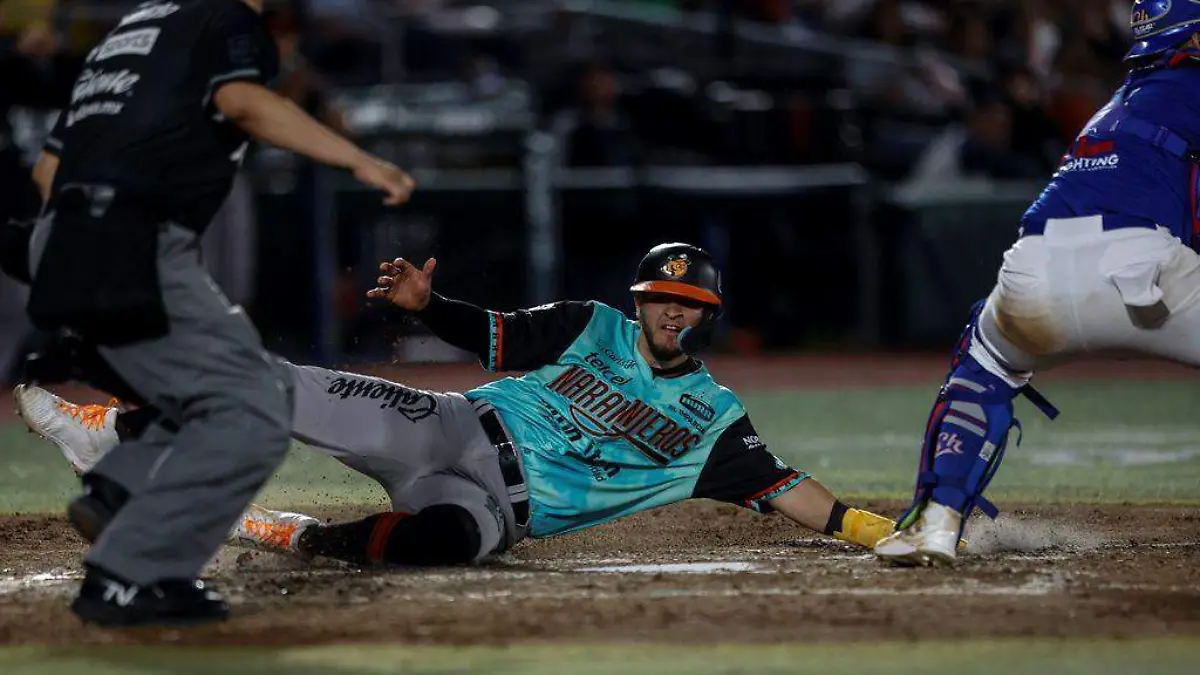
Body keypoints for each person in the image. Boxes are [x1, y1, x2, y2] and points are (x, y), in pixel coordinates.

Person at [17, 243, 912, 573]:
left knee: (441, 542)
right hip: (440, 425)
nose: (673, 312)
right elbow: (496, 336)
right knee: (275, 383)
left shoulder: (714, 420)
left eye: (691, 305)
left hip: (492, 509)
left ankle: (291, 534)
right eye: (661, 298)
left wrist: (876, 530)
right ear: (640, 300)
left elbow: (789, 488)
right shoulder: (589, 324)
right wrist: (426, 307)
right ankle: (109, 432)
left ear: (708, 316)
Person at [19, 0, 414, 626]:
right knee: (257, 407)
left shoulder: (135, 29)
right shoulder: (225, 19)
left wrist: (75, 247)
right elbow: (243, 102)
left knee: (215, 390)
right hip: (133, 240)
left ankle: (121, 484)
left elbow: (48, 169)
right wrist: (357, 158)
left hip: (66, 237)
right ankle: (130, 566)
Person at [873, 0, 1200, 567]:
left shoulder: (1115, 106)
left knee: (985, 360)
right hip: (1142, 267)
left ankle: (935, 522)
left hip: (1035, 267)